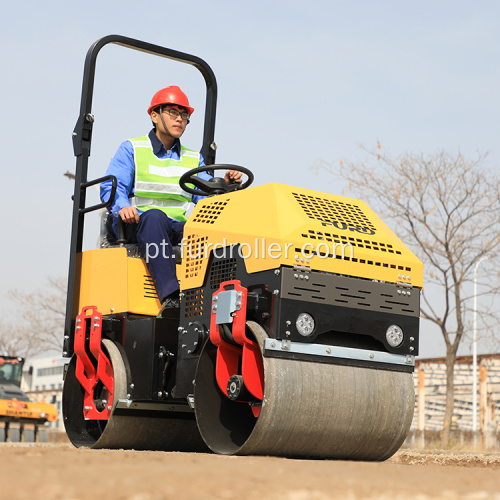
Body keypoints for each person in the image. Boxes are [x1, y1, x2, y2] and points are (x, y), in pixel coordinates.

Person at [100, 86, 241, 314]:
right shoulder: (133, 148)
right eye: (173, 113)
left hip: (176, 228)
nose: (180, 119)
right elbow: (112, 186)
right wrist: (123, 206)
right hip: (136, 224)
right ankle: (172, 298)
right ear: (154, 115)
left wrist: (225, 184)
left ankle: (223, 302)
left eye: (184, 115)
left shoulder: (193, 157)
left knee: (215, 230)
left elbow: (205, 190)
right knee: (155, 217)